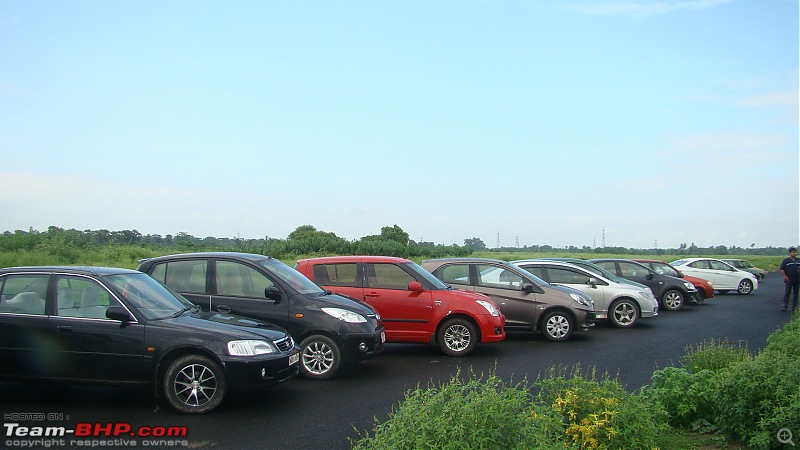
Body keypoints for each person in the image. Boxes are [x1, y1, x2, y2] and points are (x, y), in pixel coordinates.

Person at [780, 246, 800, 312]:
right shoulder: (786, 261)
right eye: (793, 252)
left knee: (796, 293)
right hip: (788, 279)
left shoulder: (798, 260)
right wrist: (785, 276)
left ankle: (794, 306)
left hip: (797, 279)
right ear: (790, 253)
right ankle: (784, 306)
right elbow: (782, 269)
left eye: (795, 252)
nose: (795, 254)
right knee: (787, 293)